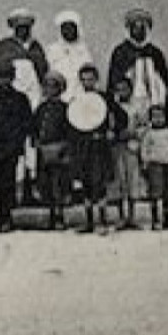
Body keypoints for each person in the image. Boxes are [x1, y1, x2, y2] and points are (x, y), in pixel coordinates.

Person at [0, 58, 34, 233]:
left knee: (8, 181)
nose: (4, 81)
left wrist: (17, 142)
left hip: (11, 146)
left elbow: (26, 122)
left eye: (7, 77)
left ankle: (5, 215)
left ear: (12, 78)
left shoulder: (20, 99)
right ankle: (1, 212)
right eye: (1, 77)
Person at [69, 64, 118, 234]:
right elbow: (73, 123)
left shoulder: (104, 98)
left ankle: (103, 220)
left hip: (99, 146)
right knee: (86, 183)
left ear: (96, 80)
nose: (87, 83)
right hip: (84, 147)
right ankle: (89, 221)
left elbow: (116, 117)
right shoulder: (77, 100)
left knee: (100, 182)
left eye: (90, 79)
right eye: (84, 80)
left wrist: (111, 131)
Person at [108, 8, 168, 121]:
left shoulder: (155, 52)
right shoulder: (120, 52)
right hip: (129, 102)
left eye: (142, 28)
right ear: (130, 30)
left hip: (152, 101)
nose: (138, 31)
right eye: (135, 28)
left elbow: (163, 79)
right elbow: (115, 79)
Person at [33, 72, 74, 230]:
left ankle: (59, 215)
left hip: (59, 150)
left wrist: (65, 146)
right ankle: (50, 214)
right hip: (44, 151)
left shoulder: (65, 108)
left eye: (53, 86)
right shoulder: (41, 108)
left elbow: (69, 130)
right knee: (46, 183)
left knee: (58, 184)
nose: (49, 89)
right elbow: (35, 127)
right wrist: (36, 140)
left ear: (60, 89)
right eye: (47, 86)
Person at [0, 9, 49, 111]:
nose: (23, 31)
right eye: (20, 28)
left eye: (26, 28)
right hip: (12, 89)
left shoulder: (36, 46)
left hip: (33, 90)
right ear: (15, 29)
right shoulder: (5, 45)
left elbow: (43, 68)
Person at [110, 75, 146, 231]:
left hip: (131, 147)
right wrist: (114, 134)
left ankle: (132, 216)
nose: (122, 92)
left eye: (125, 89)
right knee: (119, 180)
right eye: (118, 90)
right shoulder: (112, 109)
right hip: (117, 147)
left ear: (130, 90)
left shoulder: (136, 108)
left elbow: (143, 126)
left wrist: (134, 133)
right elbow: (109, 127)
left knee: (132, 179)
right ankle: (120, 216)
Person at [140, 104, 168, 230]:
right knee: (155, 191)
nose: (158, 119)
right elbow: (144, 149)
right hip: (155, 164)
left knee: (167, 191)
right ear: (150, 119)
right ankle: (155, 219)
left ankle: (167, 217)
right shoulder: (149, 134)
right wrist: (145, 162)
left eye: (161, 116)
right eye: (155, 117)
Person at [46, 10, 96, 100]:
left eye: (71, 28)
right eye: (65, 28)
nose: (68, 31)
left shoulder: (84, 50)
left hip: (81, 96)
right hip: (60, 97)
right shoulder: (53, 50)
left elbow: (90, 75)